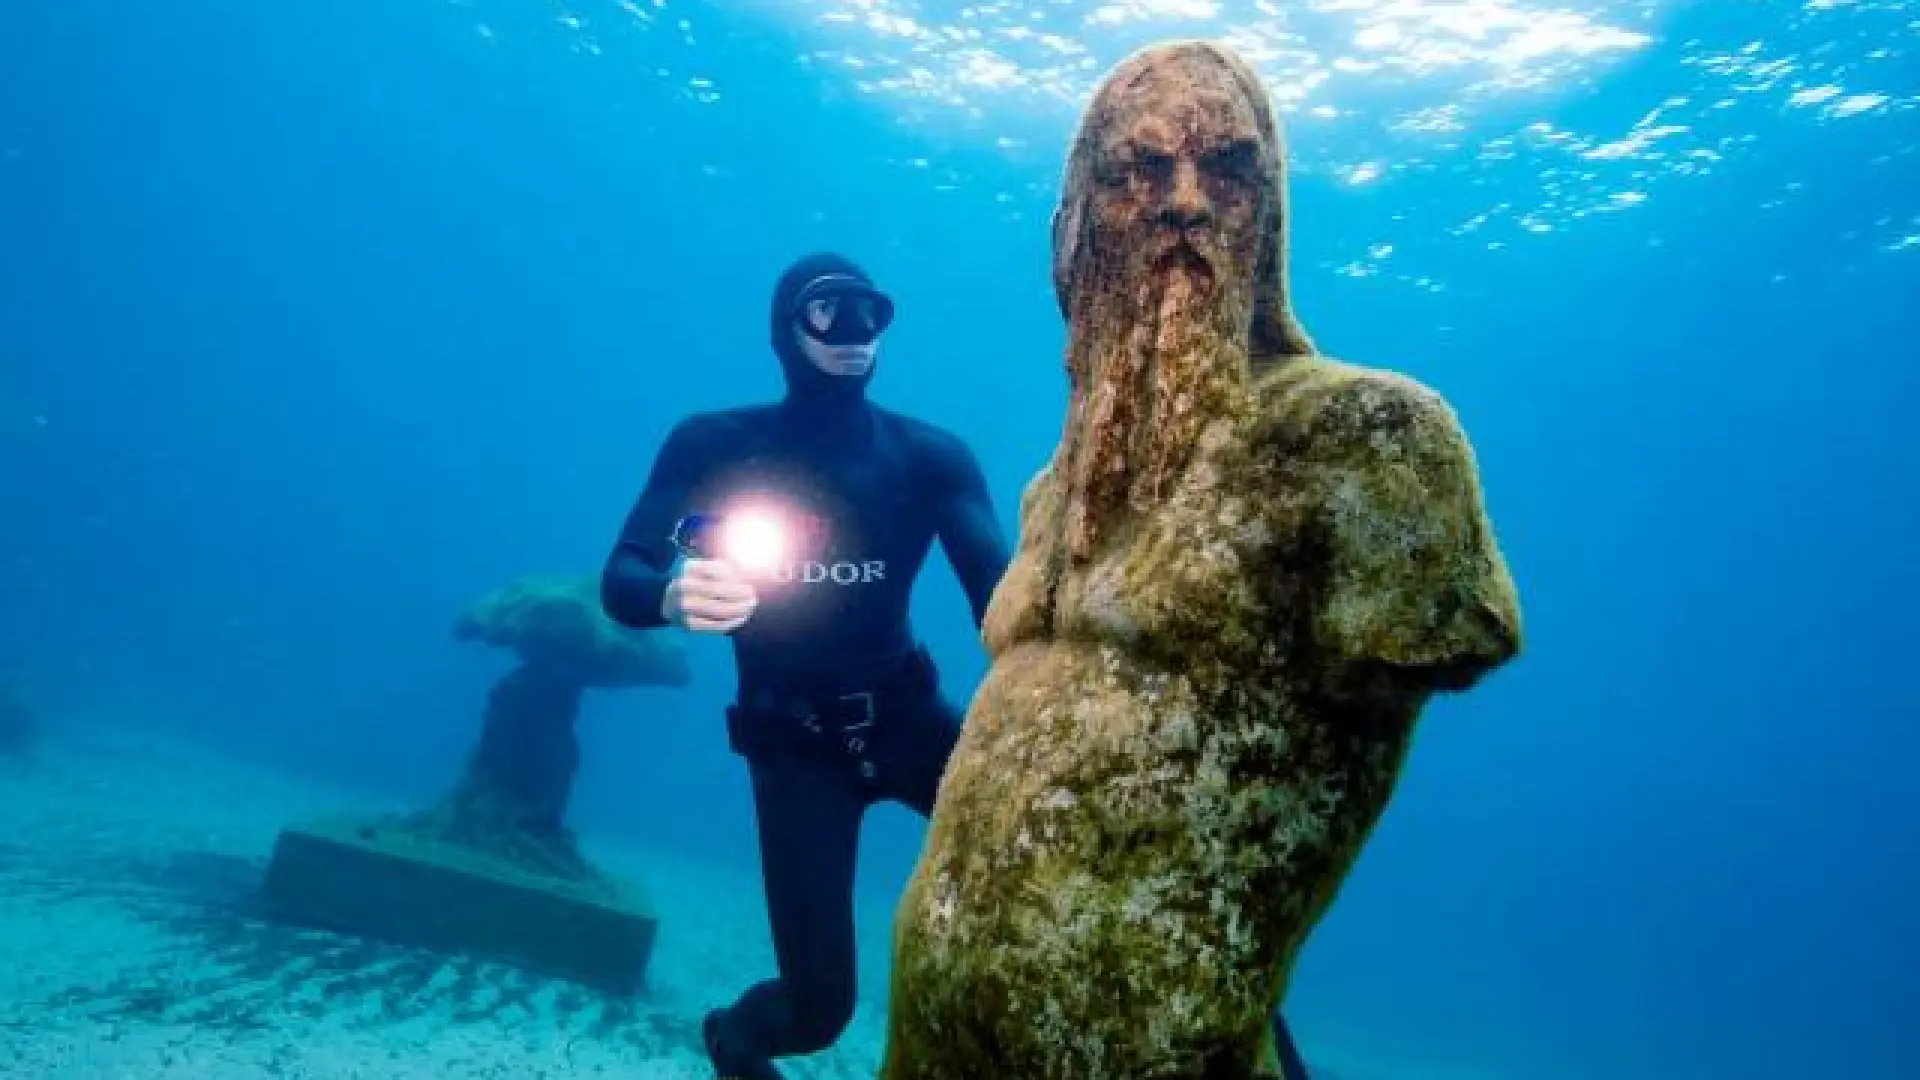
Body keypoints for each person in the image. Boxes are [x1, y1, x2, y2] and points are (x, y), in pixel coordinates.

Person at [599, 252, 1012, 1079]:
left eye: (871, 312)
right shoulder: (713, 442)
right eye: (831, 312)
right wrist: (671, 600)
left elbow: (1004, 605)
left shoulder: (932, 457)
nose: (856, 333)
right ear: (786, 326)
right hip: (794, 753)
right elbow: (623, 576)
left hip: (909, 721)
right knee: (817, 1012)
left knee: (1056, 847)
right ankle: (737, 1038)